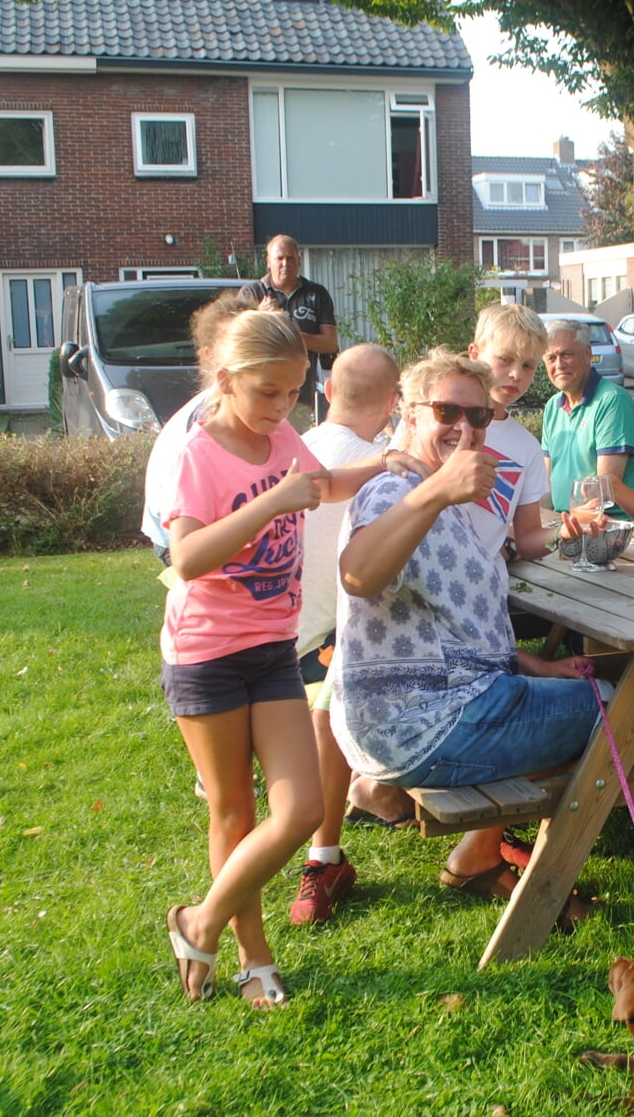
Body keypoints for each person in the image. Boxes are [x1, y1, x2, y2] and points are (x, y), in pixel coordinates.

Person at [158, 309, 389, 1009]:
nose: (281, 408)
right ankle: (253, 957)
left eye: (292, 393)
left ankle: (199, 920)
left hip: (271, 648)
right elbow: (188, 556)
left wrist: (390, 460)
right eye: (267, 392)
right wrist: (273, 504)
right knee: (232, 811)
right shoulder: (200, 454)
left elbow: (319, 487)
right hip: (207, 653)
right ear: (224, 380)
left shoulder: (282, 434)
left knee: (299, 809)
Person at [332, 349, 604, 927]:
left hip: (441, 708)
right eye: (447, 411)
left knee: (591, 688)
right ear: (409, 412)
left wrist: (530, 663)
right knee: (618, 708)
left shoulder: (444, 500)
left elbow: (455, 627)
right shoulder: (395, 492)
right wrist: (435, 491)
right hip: (420, 723)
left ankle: (480, 852)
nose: (465, 427)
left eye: (478, 417)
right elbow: (358, 576)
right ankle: (534, 881)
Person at [286, 344, 402, 926]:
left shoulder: (294, 449)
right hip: (326, 658)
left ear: (328, 391)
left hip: (279, 648)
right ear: (392, 404)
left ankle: (372, 794)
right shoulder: (385, 464)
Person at [141, 291, 255, 560]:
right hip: (177, 535)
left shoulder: (240, 403)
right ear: (209, 354)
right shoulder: (211, 412)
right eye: (235, 343)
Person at [466, 303, 556, 563]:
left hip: (485, 586)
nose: (516, 374)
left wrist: (569, 533)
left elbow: (528, 540)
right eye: (505, 359)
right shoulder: (438, 420)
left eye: (528, 365)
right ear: (475, 353)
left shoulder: (527, 447)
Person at [541, 319, 634, 518]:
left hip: (607, 526)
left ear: (587, 355)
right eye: (551, 358)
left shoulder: (612, 402)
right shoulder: (552, 407)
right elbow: (546, 485)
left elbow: (602, 490)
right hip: (564, 520)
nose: (559, 364)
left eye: (567, 354)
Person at [238, 234, 338, 417]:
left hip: (302, 394)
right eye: (279, 258)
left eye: (290, 258)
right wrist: (260, 318)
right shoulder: (251, 293)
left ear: (299, 261)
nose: (285, 263)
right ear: (269, 261)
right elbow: (239, 342)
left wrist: (285, 330)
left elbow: (330, 343)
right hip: (263, 391)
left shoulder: (317, 293)